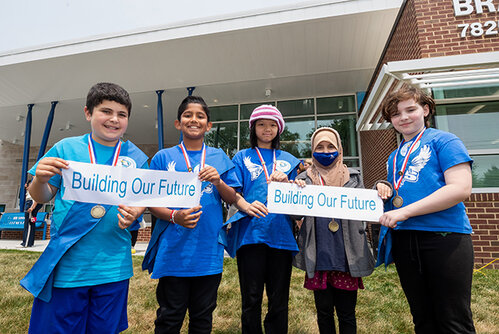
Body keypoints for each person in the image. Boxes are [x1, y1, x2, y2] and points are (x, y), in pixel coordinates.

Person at [21, 82, 149, 334]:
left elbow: (140, 199)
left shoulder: (136, 156)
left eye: (122, 114)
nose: (114, 119)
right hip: (69, 265)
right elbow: (42, 195)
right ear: (88, 113)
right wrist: (40, 180)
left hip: (114, 267)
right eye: (106, 111)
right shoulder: (66, 148)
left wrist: (136, 212)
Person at [376, 85, 475, 333]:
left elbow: (460, 188)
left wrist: (404, 212)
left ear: (426, 110)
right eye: (397, 114)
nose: (404, 117)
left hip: (444, 237)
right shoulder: (394, 155)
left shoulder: (445, 141)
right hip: (405, 239)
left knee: (453, 321)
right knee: (422, 319)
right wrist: (385, 187)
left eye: (411, 109)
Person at [142, 95, 239, 334]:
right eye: (188, 115)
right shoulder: (163, 157)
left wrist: (218, 181)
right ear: (178, 123)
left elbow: (232, 198)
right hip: (173, 250)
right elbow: (151, 202)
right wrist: (176, 217)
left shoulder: (219, 157)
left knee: (203, 318)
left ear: (209, 125)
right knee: (169, 317)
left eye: (200, 116)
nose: (193, 120)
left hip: (207, 251)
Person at [222, 105, 301, 334]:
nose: (267, 129)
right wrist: (245, 205)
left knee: (279, 299)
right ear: (253, 128)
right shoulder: (240, 157)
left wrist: (288, 184)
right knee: (251, 297)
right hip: (251, 235)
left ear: (279, 129)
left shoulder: (290, 160)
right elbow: (232, 194)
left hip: (281, 236)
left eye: (272, 124)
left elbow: (297, 201)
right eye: (261, 124)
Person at [293, 127, 375, 334]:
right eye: (319, 146)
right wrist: (294, 193)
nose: (326, 150)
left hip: (346, 257)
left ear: (340, 149)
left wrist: (382, 186)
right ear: (312, 151)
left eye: (331, 146)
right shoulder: (304, 179)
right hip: (319, 256)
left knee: (347, 314)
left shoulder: (353, 177)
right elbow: (293, 216)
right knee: (324, 312)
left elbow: (367, 209)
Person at [21, 179, 43, 248]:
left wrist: (32, 208)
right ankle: (30, 242)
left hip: (31, 204)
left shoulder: (34, 187)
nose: (26, 185)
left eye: (27, 184)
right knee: (31, 222)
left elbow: (36, 198)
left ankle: (26, 243)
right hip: (30, 203)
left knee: (28, 223)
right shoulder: (30, 189)